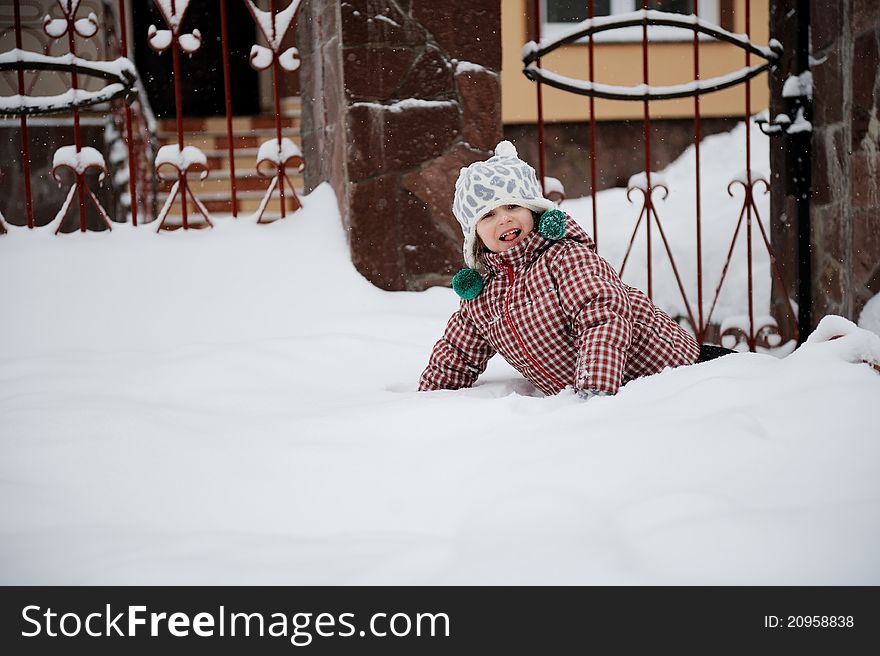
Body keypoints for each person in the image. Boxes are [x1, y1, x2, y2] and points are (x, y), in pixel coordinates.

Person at [418, 141, 707, 399]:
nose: (504, 219)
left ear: (532, 211)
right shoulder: (481, 296)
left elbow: (602, 316)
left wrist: (593, 388)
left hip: (670, 371)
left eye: (513, 206)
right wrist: (427, 400)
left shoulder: (564, 257)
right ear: (476, 235)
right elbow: (458, 353)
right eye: (489, 215)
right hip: (604, 396)